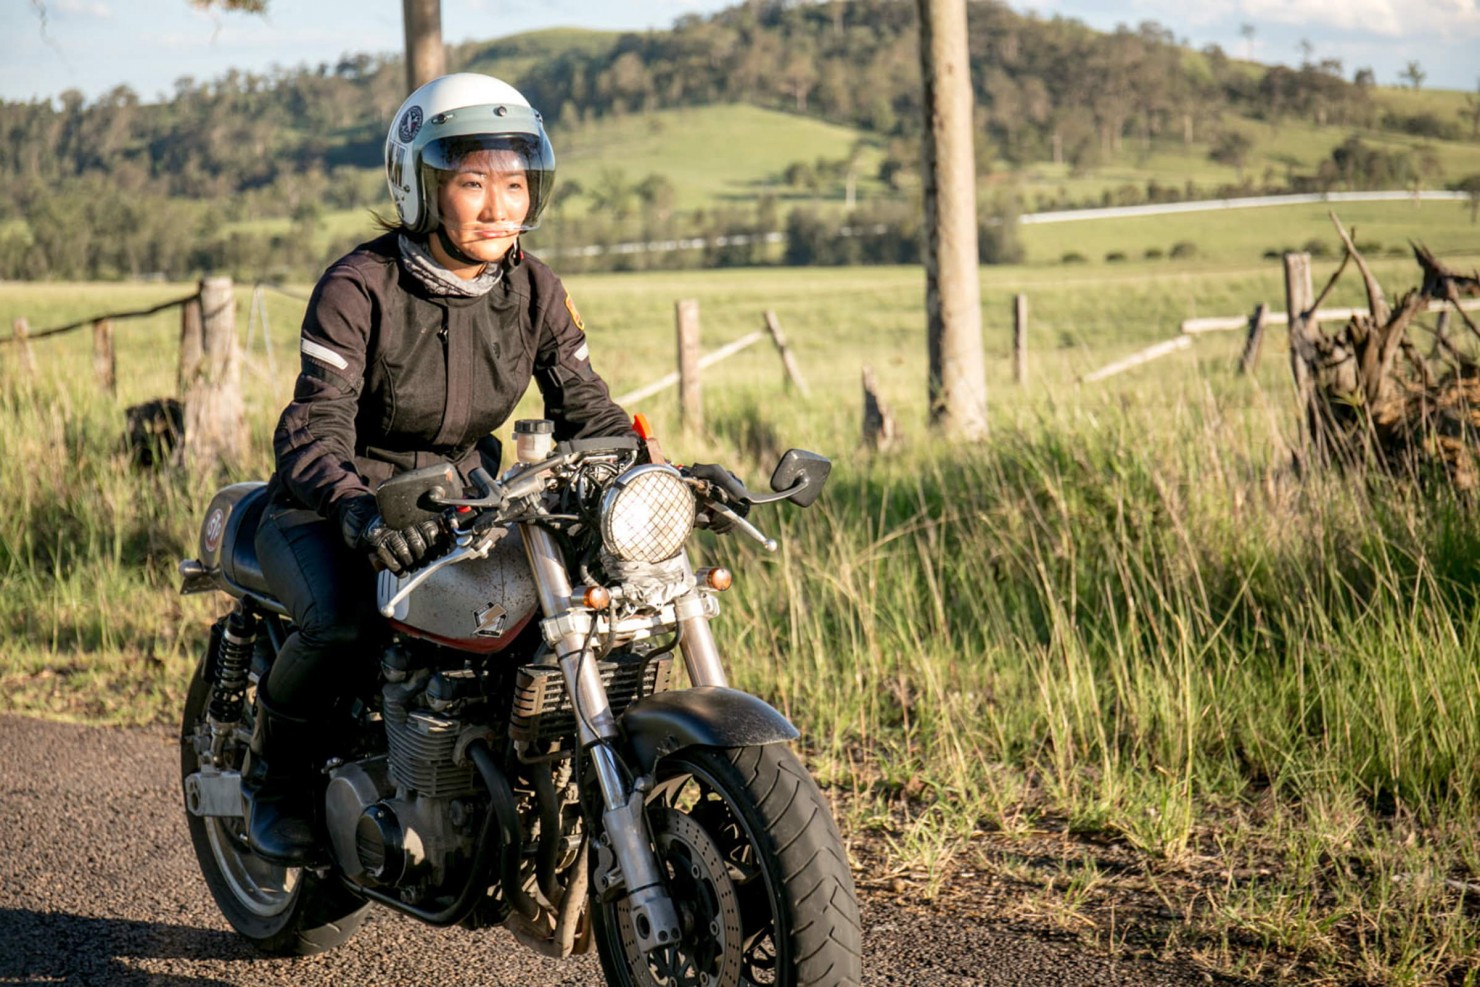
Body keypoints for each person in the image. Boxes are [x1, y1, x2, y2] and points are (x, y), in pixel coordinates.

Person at [243, 73, 633, 866]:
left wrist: (659, 473)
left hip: (463, 502)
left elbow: (588, 409)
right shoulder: (359, 286)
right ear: (420, 185)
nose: (499, 208)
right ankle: (271, 779)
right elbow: (313, 427)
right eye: (472, 184)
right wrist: (356, 508)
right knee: (344, 622)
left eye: (516, 184)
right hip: (331, 507)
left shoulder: (533, 287)